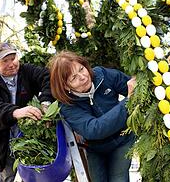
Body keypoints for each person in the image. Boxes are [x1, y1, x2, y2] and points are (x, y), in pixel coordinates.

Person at [48, 50, 136, 182]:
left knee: (119, 179)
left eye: (82, 69)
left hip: (123, 140)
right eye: (73, 78)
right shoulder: (67, 106)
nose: (83, 77)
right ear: (66, 86)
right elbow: (93, 129)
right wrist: (128, 101)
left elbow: (133, 87)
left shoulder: (103, 75)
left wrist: (136, 86)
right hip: (95, 149)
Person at [0, 42, 54, 182]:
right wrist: (16, 112)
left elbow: (47, 78)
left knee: (39, 176)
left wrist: (46, 102)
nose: (11, 64)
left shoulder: (27, 71)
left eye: (13, 58)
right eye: (5, 61)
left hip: (33, 139)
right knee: (9, 178)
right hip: (5, 143)